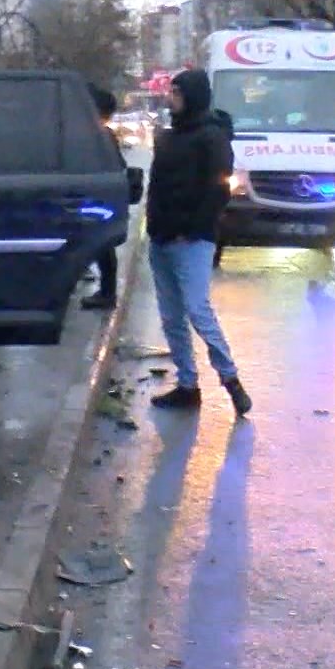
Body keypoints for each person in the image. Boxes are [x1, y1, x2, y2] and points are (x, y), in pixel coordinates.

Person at [145, 69, 251, 415]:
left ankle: (230, 379)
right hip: (161, 238)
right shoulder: (168, 136)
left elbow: (217, 190)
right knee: (171, 316)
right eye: (170, 91)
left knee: (196, 308)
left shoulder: (212, 137)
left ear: (192, 95)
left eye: (176, 92)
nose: (170, 97)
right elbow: (157, 186)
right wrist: (155, 224)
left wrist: (190, 228)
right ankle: (187, 385)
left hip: (192, 240)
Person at [83, 85, 123, 310]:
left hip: (98, 198)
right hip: (100, 197)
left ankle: (107, 292)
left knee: (102, 246)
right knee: (101, 245)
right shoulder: (100, 134)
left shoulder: (99, 136)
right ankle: (106, 290)